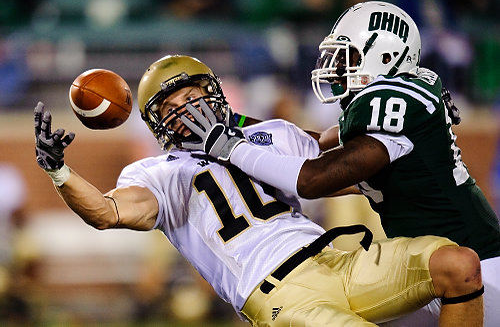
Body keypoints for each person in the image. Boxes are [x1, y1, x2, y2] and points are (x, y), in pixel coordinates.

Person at [34, 55, 484, 326]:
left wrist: (410, 107)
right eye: (171, 107)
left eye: (192, 96)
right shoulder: (159, 171)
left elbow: (342, 149)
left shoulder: (266, 135)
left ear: (215, 95)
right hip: (279, 293)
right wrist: (59, 171)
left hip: (335, 259)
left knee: (458, 264)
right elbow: (106, 212)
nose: (187, 109)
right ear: (158, 125)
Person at [180, 1, 499, 326]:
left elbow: (313, 179)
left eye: (349, 58)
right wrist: (233, 121)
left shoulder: (392, 100)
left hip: (478, 268)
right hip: (434, 267)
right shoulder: (390, 104)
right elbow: (310, 145)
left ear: (385, 58)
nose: (336, 67)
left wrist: (230, 147)